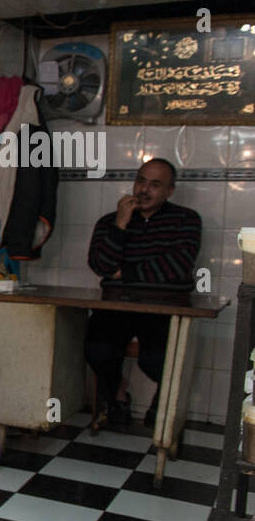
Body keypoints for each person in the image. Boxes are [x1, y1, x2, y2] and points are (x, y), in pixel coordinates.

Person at [85, 157, 201, 431]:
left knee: (157, 360)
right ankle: (116, 396)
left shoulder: (186, 220)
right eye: (140, 181)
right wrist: (121, 226)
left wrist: (122, 273)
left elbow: (176, 266)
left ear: (169, 191)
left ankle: (163, 400)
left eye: (155, 184)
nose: (143, 190)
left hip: (166, 306)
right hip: (117, 306)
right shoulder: (109, 222)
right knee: (97, 350)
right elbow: (100, 265)